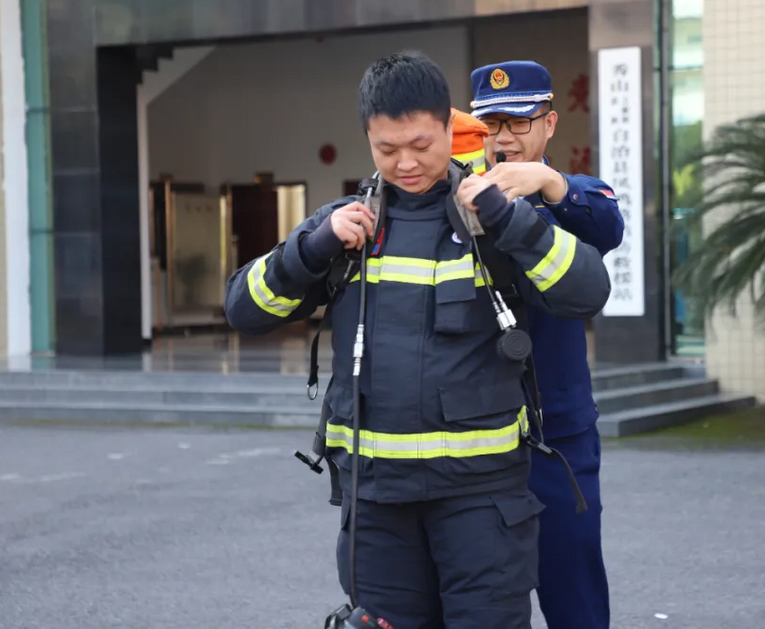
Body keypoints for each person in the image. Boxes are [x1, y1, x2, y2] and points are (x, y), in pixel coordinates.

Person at [223, 51, 613, 629]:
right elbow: (243, 309)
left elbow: (586, 290)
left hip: (485, 507)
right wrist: (310, 249)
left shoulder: (494, 218)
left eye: (422, 145)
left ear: (448, 130)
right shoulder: (347, 226)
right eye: (387, 149)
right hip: (378, 508)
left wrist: (513, 219)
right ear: (369, 141)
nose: (405, 163)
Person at [468, 60, 625, 629]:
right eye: (492, 125)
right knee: (483, 597)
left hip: (558, 432)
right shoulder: (462, 196)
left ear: (550, 123)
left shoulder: (568, 197)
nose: (504, 138)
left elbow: (609, 223)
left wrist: (548, 183)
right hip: (477, 433)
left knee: (574, 586)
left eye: (519, 122)